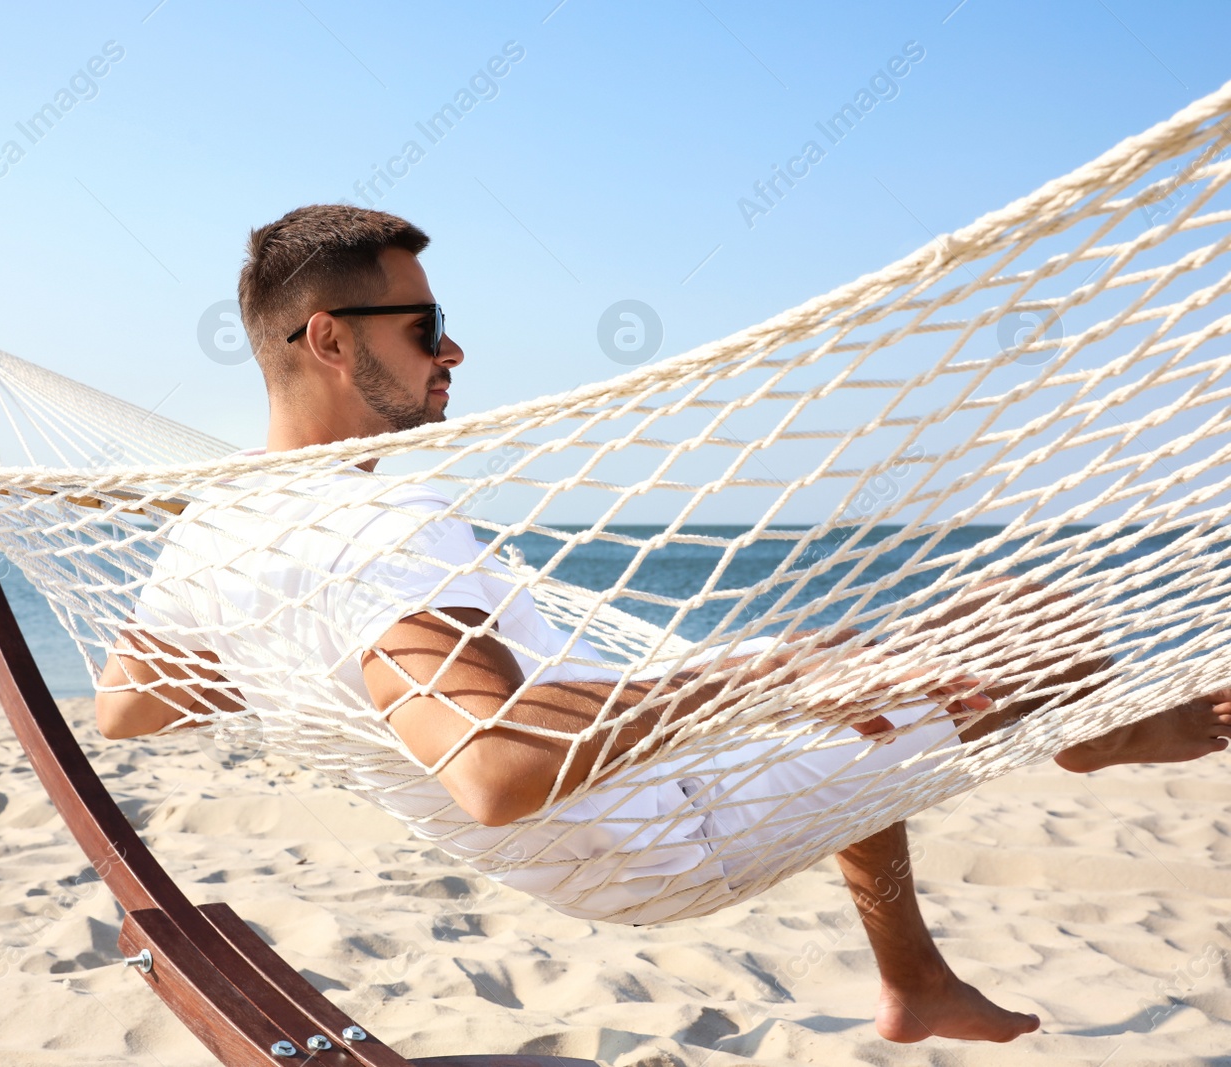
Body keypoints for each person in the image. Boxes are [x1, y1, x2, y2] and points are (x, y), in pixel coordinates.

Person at [94, 203, 1231, 1045]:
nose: (452, 352)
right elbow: (492, 765)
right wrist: (755, 688)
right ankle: (1097, 727)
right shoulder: (381, 520)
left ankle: (914, 978)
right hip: (666, 830)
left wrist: (305, 663)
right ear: (331, 341)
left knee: (850, 657)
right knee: (1032, 620)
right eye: (426, 324)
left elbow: (130, 705)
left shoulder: (229, 522)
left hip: (626, 801)